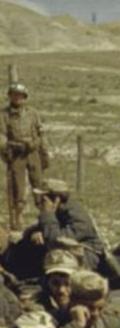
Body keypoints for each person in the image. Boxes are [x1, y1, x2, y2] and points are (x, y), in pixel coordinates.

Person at [3, 81, 47, 229]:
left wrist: (38, 146)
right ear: (10, 96)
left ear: (25, 97)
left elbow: (41, 133)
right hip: (16, 155)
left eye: (20, 95)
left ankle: (44, 216)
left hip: (33, 153)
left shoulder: (33, 113)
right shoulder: (4, 115)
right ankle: (18, 218)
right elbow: (1, 136)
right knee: (18, 187)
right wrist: (9, 147)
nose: (17, 98)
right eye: (14, 95)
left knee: (39, 184)